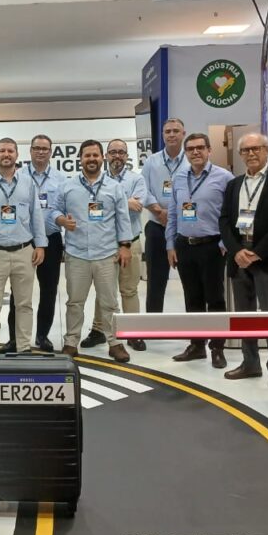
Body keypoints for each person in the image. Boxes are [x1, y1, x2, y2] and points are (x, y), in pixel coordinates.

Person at [218, 133, 268, 391]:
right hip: (239, 257)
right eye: (245, 150)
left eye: (256, 149)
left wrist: (257, 252)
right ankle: (250, 363)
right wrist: (237, 250)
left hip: (267, 259)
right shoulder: (234, 185)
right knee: (245, 315)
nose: (251, 154)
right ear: (240, 155)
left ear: (266, 150)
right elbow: (224, 221)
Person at [55, 140, 133, 363]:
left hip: (106, 254)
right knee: (75, 302)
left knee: (110, 302)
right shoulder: (68, 186)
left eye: (95, 155)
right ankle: (71, 342)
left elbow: (122, 219)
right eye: (87, 155)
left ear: (102, 158)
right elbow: (54, 210)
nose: (91, 159)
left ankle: (115, 343)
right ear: (80, 159)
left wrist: (125, 246)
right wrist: (60, 220)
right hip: (76, 255)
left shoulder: (114, 187)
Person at [0, 138, 47, 355]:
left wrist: (40, 245)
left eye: (10, 151)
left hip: (24, 251)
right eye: (2, 151)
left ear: (16, 155)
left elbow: (36, 215)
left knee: (24, 304)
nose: (6, 154)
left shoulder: (27, 183)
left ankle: (23, 347)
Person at [165, 133, 233, 368]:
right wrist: (170, 244)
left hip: (213, 246)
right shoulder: (179, 177)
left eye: (200, 148)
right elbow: (173, 213)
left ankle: (217, 347)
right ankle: (196, 345)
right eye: (191, 149)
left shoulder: (224, 178)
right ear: (185, 153)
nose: (195, 152)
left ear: (209, 150)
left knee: (215, 299)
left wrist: (225, 244)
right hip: (185, 245)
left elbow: (232, 214)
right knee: (192, 298)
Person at [80, 138, 148, 351]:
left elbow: (137, 206)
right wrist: (124, 201)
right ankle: (99, 330)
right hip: (105, 245)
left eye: (121, 152)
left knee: (129, 290)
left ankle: (133, 333)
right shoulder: (97, 179)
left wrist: (114, 201)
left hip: (130, 243)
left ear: (126, 156)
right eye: (113, 152)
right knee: (104, 291)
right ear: (106, 156)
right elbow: (90, 206)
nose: (117, 156)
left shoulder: (137, 179)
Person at [6, 134, 67, 351]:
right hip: (24, 241)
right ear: (30, 151)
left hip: (51, 240)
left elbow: (63, 208)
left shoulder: (61, 179)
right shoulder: (18, 176)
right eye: (37, 148)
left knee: (49, 290)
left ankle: (42, 335)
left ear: (51, 152)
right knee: (18, 292)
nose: (41, 152)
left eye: (45, 149)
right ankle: (14, 338)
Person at [141, 118, 186, 313]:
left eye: (176, 131)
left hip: (184, 229)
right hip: (157, 227)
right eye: (168, 131)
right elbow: (143, 190)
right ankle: (153, 323)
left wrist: (174, 215)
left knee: (191, 281)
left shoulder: (190, 160)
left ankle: (196, 325)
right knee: (155, 282)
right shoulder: (151, 161)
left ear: (183, 134)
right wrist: (159, 211)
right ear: (162, 135)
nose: (172, 134)